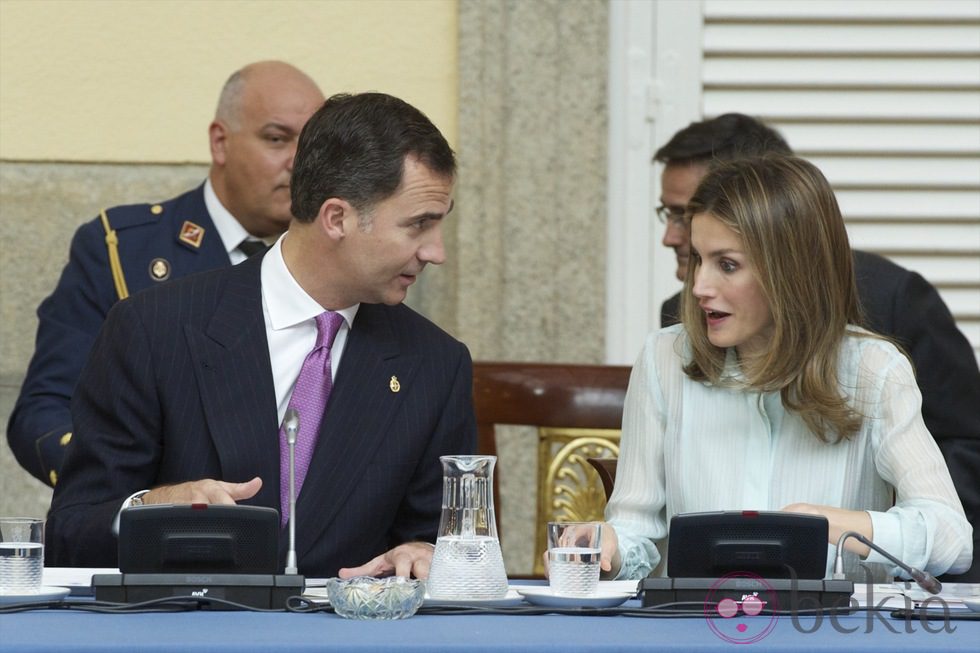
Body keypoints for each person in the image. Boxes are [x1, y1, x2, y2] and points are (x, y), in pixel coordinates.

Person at [45, 92, 476, 579]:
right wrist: (151, 507)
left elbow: (440, 538)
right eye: (419, 225)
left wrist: (424, 554)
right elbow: (70, 533)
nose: (436, 252)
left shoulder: (434, 364)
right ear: (337, 218)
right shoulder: (153, 329)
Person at [601, 155, 972, 582]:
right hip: (697, 631)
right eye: (698, 259)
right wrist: (608, 547)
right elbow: (635, 536)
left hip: (832, 639)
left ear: (791, 271)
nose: (700, 286)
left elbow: (952, 541)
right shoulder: (663, 358)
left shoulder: (875, 369)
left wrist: (835, 525)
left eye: (727, 265)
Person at [7, 61, 325, 488]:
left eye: (315, 148)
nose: (299, 163)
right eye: (277, 139)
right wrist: (132, 494)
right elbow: (46, 410)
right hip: (157, 539)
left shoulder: (334, 264)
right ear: (220, 142)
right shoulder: (126, 251)